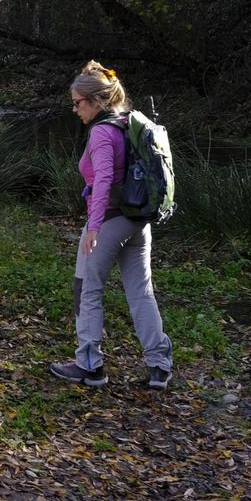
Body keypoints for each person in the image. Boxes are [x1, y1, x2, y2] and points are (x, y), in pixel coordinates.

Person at [49, 61, 173, 390]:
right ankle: (159, 366)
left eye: (77, 103)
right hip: (138, 224)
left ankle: (90, 366)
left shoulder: (103, 132)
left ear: (96, 101)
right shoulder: (126, 125)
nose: (75, 109)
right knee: (141, 292)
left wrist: (94, 225)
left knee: (87, 289)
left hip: (110, 222)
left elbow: (104, 177)